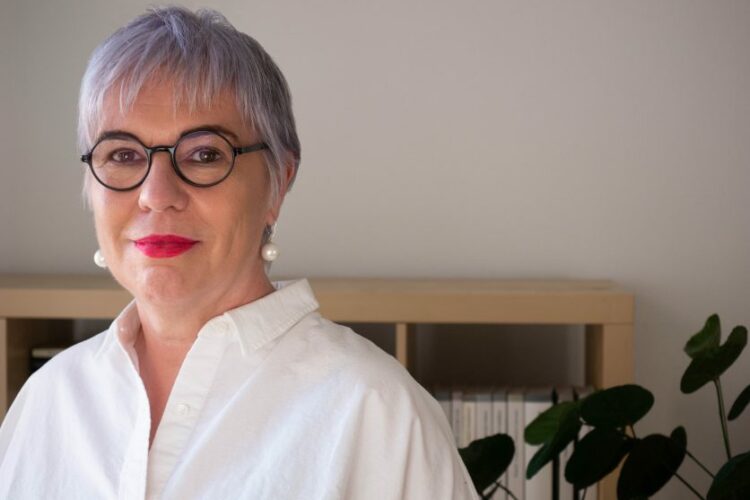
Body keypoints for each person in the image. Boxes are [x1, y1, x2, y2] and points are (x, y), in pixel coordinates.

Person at [0, 7, 478, 499]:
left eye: (205, 154)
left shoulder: (375, 412)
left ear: (279, 181)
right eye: (123, 154)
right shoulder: (47, 400)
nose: (156, 193)